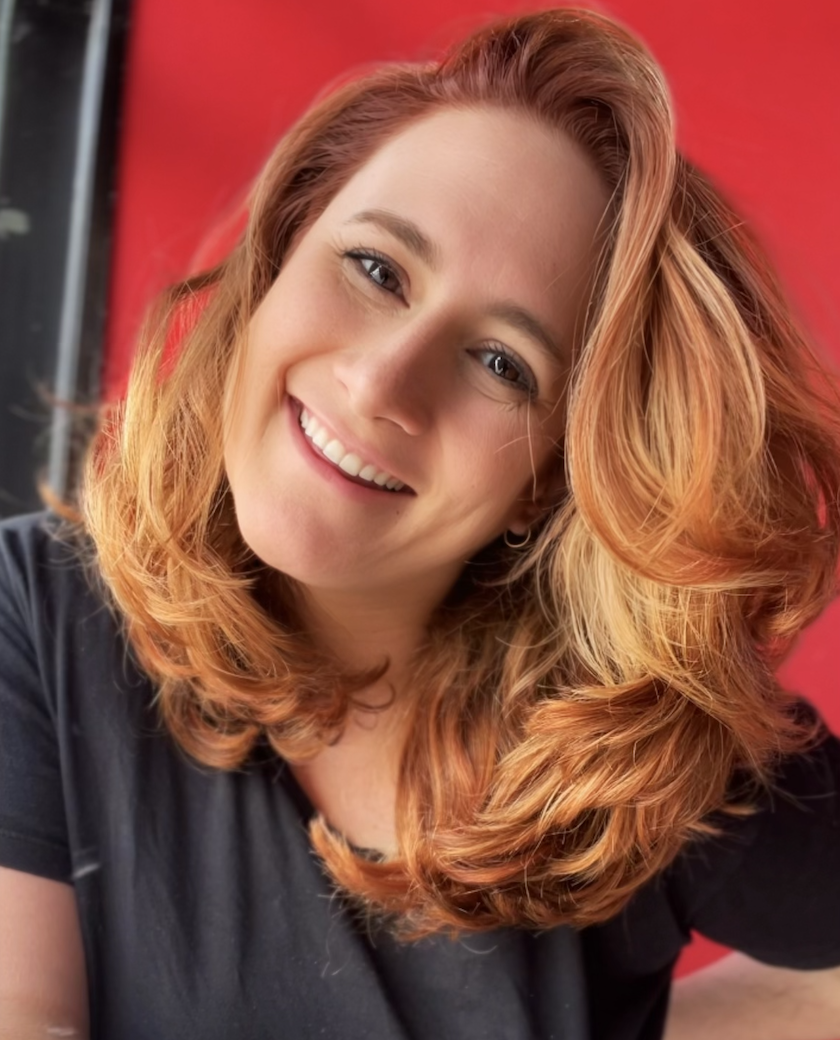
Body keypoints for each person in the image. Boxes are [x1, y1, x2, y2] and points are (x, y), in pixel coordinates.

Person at [1, 7, 839, 1039]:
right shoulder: (34, 613)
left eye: (502, 363)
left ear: (551, 475)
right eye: (377, 269)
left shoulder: (647, 750)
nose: (381, 381)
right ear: (281, 251)